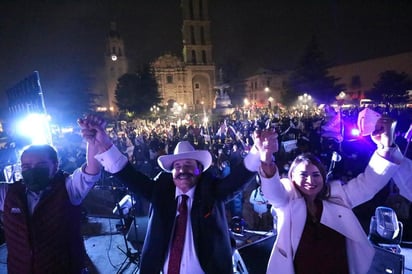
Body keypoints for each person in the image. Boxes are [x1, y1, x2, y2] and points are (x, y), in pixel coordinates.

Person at [81, 114, 275, 274]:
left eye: (189, 165)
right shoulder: (160, 192)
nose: (183, 170)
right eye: (177, 166)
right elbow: (127, 173)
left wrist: (259, 151)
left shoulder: (211, 192)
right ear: (171, 173)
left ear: (200, 170)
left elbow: (238, 179)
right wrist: (104, 143)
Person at [249, 116, 407, 274]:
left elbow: (369, 183)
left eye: (316, 174)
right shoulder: (287, 200)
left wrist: (386, 145)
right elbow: (273, 192)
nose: (310, 180)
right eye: (303, 174)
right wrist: (266, 158)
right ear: (292, 177)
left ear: (324, 178)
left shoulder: (338, 197)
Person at [0, 116, 103, 273]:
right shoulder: (9, 193)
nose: (32, 170)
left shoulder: (68, 188)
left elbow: (91, 171)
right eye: (26, 166)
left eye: (40, 165)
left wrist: (93, 142)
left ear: (55, 166)